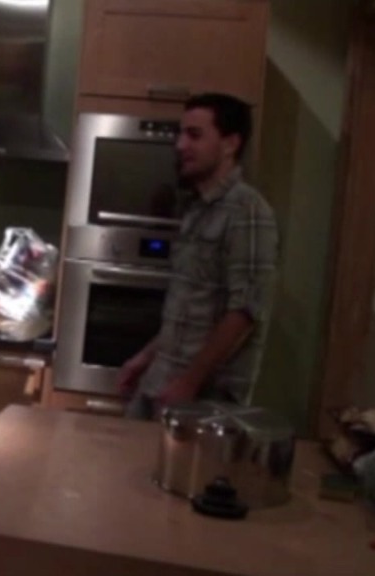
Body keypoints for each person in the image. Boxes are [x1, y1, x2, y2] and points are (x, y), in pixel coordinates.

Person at [117, 93, 278, 419]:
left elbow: (245, 312)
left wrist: (189, 384)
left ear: (230, 144)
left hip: (204, 402)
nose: (180, 145)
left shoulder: (248, 212)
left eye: (194, 135)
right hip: (160, 382)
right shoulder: (196, 209)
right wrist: (146, 357)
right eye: (181, 134)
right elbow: (187, 310)